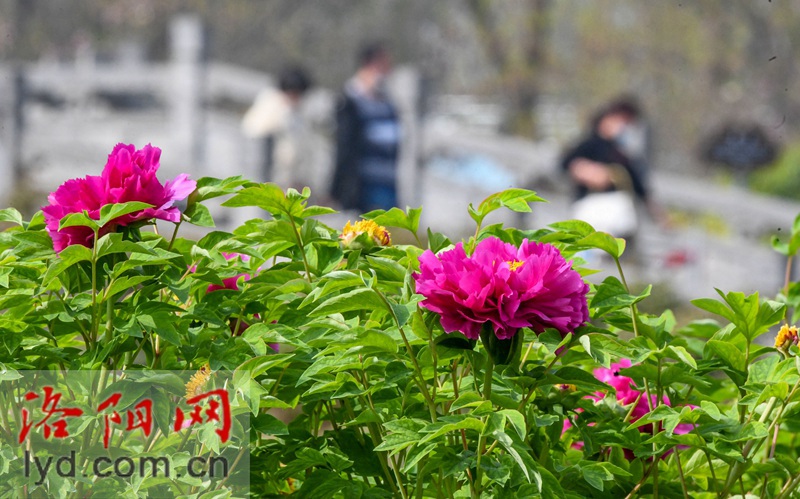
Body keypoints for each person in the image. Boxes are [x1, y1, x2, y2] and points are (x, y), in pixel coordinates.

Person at [561, 98, 664, 238]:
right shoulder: (588, 145)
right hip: (589, 209)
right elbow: (564, 164)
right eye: (621, 122)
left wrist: (660, 217)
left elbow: (641, 189)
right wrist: (585, 171)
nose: (623, 127)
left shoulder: (623, 155)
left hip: (617, 218)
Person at [330, 41, 400, 212]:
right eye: (384, 64)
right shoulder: (350, 101)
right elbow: (344, 148)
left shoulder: (387, 102)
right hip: (362, 186)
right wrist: (335, 189)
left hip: (387, 183)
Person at [242, 65, 322, 193]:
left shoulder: (295, 113)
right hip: (269, 181)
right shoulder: (269, 106)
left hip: (289, 183)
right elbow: (256, 138)